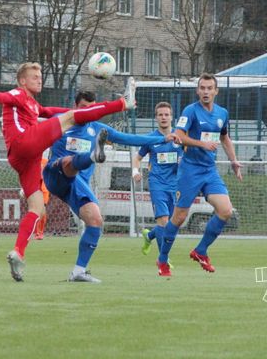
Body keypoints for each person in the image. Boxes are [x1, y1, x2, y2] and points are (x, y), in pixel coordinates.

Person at [0, 63, 135, 282]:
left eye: (40, 76)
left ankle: (18, 252)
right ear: (22, 81)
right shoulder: (18, 94)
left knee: (37, 208)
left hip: (25, 159)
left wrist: (79, 112)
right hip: (24, 142)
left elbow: (56, 112)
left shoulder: (33, 104)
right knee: (71, 118)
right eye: (34, 76)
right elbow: (4, 97)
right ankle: (123, 103)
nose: (39, 79)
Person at [43, 91, 167, 283]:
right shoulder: (61, 121)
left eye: (91, 108)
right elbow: (37, 127)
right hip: (55, 174)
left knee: (95, 221)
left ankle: (78, 271)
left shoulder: (98, 129)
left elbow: (130, 138)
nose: (87, 111)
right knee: (68, 162)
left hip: (77, 185)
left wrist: (162, 139)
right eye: (83, 108)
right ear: (75, 107)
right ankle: (92, 156)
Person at [155, 74, 243, 277]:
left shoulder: (222, 113)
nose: (205, 92)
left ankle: (200, 251)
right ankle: (162, 259)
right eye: (202, 88)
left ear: (216, 91)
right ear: (197, 91)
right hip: (190, 170)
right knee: (179, 217)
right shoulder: (191, 111)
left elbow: (224, 138)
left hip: (209, 170)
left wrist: (233, 160)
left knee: (226, 210)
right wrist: (201, 144)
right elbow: (179, 136)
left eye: (209, 88)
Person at [132, 101, 182, 256]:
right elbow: (137, 158)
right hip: (157, 183)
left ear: (172, 117)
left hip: (175, 185)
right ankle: (163, 260)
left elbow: (188, 158)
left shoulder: (180, 137)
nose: (164, 117)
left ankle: (149, 236)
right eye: (160, 115)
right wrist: (135, 171)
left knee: (170, 225)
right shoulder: (151, 138)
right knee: (163, 221)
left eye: (166, 114)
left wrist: (184, 163)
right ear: (156, 118)